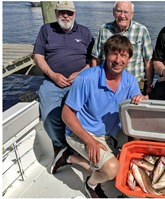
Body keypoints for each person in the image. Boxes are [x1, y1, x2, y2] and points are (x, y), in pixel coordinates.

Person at [51, 35, 148, 198]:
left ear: (129, 59)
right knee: (111, 169)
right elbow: (66, 114)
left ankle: (68, 158)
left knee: (126, 170)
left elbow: (136, 104)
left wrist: (142, 100)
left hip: (109, 134)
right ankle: (91, 185)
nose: (118, 60)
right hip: (81, 133)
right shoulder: (86, 78)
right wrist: (90, 142)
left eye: (123, 55)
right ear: (105, 55)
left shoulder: (130, 81)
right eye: (114, 54)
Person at [33, 1, 94, 160]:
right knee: (49, 118)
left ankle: (78, 145)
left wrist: (80, 74)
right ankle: (62, 147)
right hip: (51, 83)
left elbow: (93, 61)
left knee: (84, 116)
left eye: (69, 12)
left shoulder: (85, 32)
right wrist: (53, 75)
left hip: (79, 83)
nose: (65, 15)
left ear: (75, 13)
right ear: (56, 12)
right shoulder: (46, 29)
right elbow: (38, 57)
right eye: (62, 12)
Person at [91, 1, 154, 95]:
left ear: (132, 14)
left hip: (136, 83)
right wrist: (94, 81)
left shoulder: (141, 30)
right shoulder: (104, 29)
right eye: (119, 11)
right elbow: (96, 58)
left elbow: (148, 61)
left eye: (126, 12)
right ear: (113, 12)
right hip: (107, 82)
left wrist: (149, 85)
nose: (122, 15)